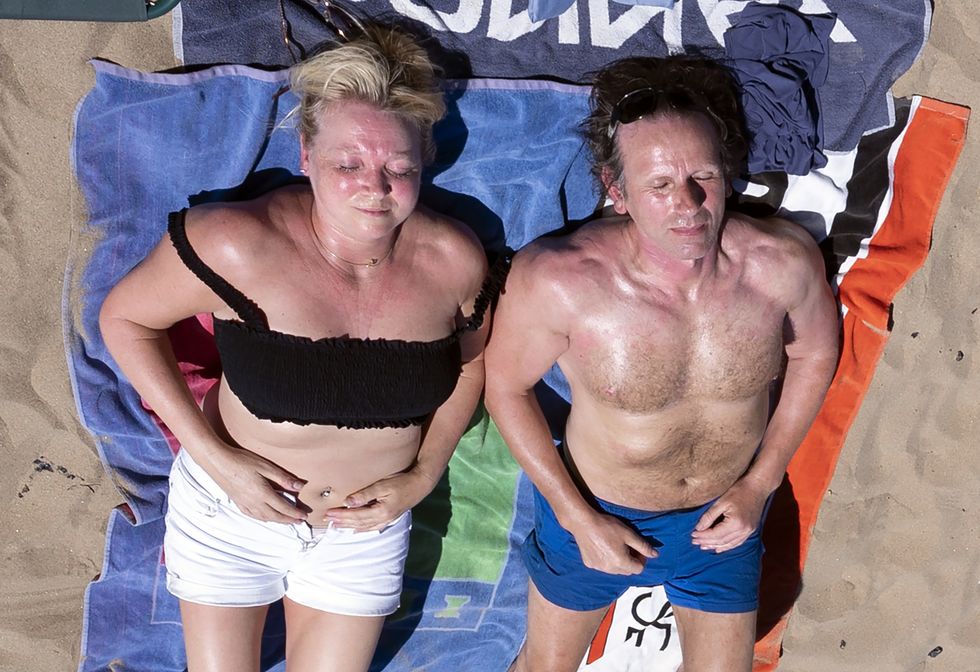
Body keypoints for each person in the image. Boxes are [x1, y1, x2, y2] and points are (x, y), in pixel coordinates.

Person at [99, 25, 492, 672]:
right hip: (230, 509)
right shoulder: (238, 244)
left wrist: (421, 477)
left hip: (363, 529)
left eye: (398, 167)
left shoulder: (453, 262)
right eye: (348, 164)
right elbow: (125, 320)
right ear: (306, 154)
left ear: (423, 158)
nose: (375, 185)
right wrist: (218, 462)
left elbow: (471, 363)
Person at [484, 56, 839, 672]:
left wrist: (762, 482)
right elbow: (505, 388)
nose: (690, 203)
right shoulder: (560, 280)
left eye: (704, 175)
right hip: (595, 511)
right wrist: (576, 517)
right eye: (660, 185)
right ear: (616, 191)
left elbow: (815, 351)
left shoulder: (780, 263)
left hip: (724, 518)